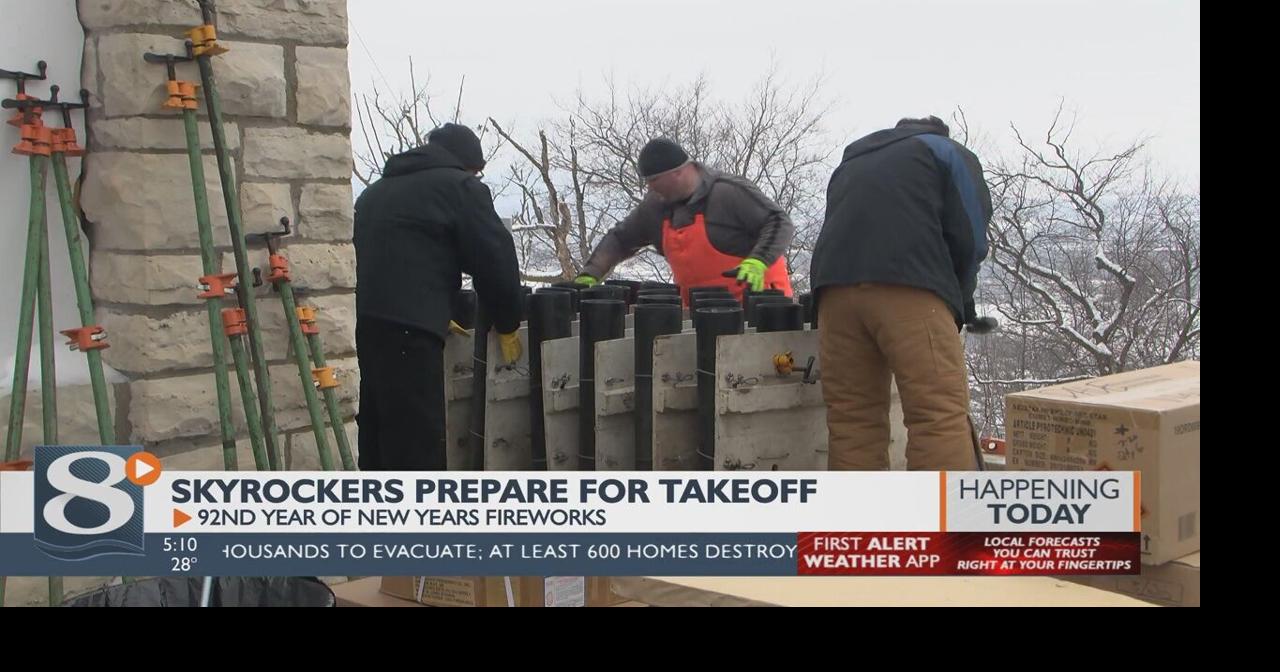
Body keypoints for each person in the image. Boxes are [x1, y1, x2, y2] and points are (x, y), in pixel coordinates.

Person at [811, 115, 992, 470]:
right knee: (937, 415)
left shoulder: (854, 158)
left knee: (852, 418)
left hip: (834, 294)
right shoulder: (946, 150)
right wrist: (962, 298)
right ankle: (938, 507)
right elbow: (970, 235)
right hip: (909, 288)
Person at [353, 123, 523, 470]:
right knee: (416, 444)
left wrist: (438, 307)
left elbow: (407, 256)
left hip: (366, 327)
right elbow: (494, 258)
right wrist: (508, 321)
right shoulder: (460, 187)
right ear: (469, 164)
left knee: (378, 434)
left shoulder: (374, 193)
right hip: (411, 337)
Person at [575, 137, 794, 302]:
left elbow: (778, 221)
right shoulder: (655, 207)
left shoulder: (727, 193)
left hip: (760, 311)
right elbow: (621, 239)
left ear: (677, 173)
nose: (650, 187)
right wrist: (590, 274)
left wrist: (758, 261)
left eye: (654, 180)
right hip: (700, 316)